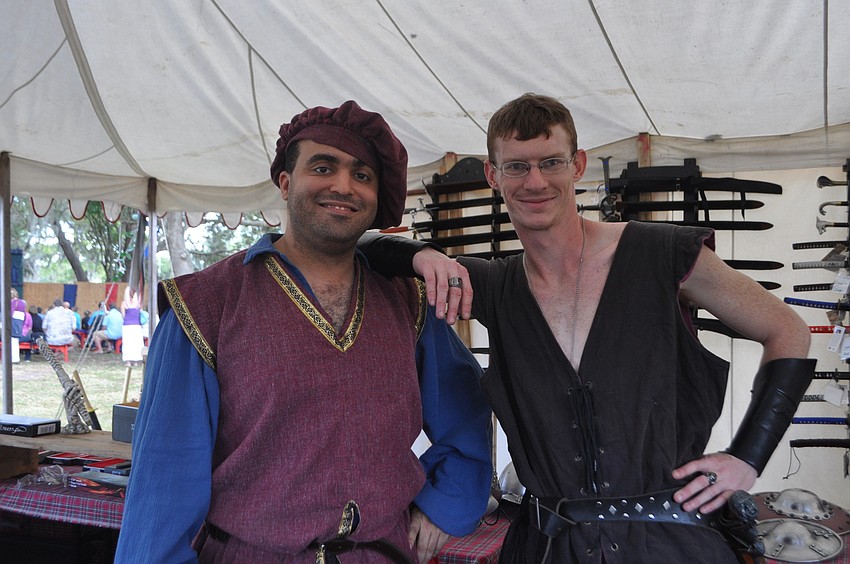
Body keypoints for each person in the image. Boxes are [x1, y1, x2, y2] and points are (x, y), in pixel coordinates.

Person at [360, 93, 815, 563]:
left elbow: (787, 330)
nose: (535, 181)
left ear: (577, 165)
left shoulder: (664, 256)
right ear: (493, 175)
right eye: (516, 167)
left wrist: (747, 457)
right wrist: (422, 254)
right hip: (548, 548)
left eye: (550, 162)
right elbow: (365, 245)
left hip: (670, 544)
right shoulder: (493, 286)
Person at [115, 101, 492, 563]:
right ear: (286, 182)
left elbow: (469, 415)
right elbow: (163, 481)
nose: (343, 186)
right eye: (323, 166)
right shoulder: (206, 306)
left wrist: (445, 504)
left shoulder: (408, 302)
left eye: (362, 175)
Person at [9, 288, 27, 363]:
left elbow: (10, 313)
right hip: (19, 322)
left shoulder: (12, 302)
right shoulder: (22, 303)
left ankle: (15, 359)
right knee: (15, 341)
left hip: (14, 322)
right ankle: (15, 358)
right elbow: (25, 315)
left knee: (13, 341)